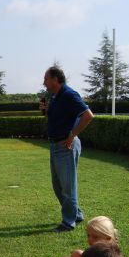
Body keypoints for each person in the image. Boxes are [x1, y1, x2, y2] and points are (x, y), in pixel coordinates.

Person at [40, 66, 93, 232]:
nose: (44, 83)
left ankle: (68, 222)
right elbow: (60, 117)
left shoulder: (69, 94)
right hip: (55, 145)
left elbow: (88, 115)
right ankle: (76, 214)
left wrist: (72, 135)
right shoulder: (56, 97)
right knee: (58, 185)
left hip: (66, 145)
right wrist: (47, 110)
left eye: (46, 79)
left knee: (68, 187)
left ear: (56, 79)